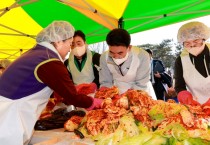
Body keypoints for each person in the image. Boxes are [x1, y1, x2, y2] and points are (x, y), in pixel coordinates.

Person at [0, 21, 102, 145]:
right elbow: (72, 97)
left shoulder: (37, 53)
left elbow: (56, 88)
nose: (70, 50)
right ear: (59, 41)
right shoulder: (49, 60)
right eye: (70, 44)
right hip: (10, 118)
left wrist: (73, 89)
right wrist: (92, 102)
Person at [99, 28, 156, 99]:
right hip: (116, 93)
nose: (116, 57)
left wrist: (125, 98)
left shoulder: (142, 56)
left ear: (129, 47)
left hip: (139, 93)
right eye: (112, 52)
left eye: (120, 53)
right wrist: (108, 96)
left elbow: (141, 84)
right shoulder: (104, 57)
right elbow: (105, 82)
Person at [175, 21, 210, 105]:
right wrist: (184, 96)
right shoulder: (181, 60)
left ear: (203, 38)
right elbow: (179, 86)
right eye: (187, 43)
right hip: (196, 105)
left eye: (196, 41)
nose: (192, 46)